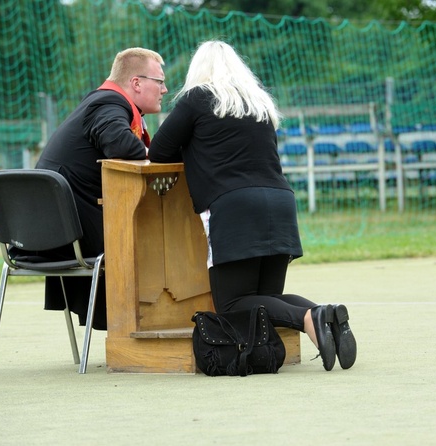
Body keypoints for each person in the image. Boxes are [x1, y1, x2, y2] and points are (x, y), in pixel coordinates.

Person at [149, 41, 356, 371]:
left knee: (233, 304)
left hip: (234, 207)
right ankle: (325, 314)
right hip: (280, 202)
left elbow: (159, 152)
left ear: (197, 71)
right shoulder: (259, 104)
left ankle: (310, 317)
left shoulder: (197, 98)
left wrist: (190, 150)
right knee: (265, 302)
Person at [34, 47, 168, 330]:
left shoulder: (102, 102)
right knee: (164, 239)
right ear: (136, 83)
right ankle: (156, 327)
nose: (165, 89)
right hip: (72, 234)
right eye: (160, 81)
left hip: (55, 230)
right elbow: (121, 146)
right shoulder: (107, 102)